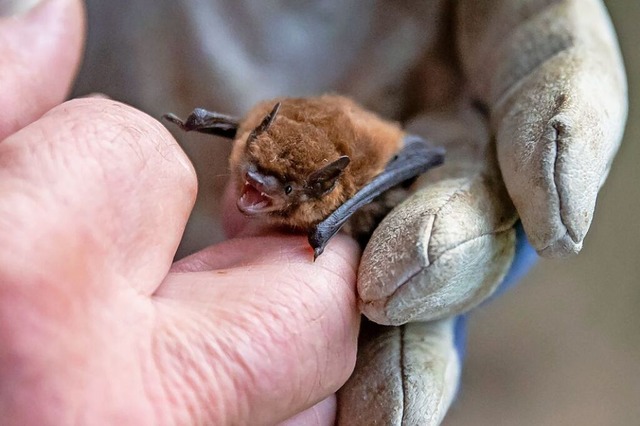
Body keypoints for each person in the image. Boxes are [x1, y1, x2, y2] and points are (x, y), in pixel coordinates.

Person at [0, 0, 625, 425]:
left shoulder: (335, 191)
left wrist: (323, 226)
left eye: (272, 188)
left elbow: (375, 177)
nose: (252, 191)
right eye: (252, 173)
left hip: (376, 166)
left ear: (319, 190)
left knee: (404, 275)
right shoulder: (262, 131)